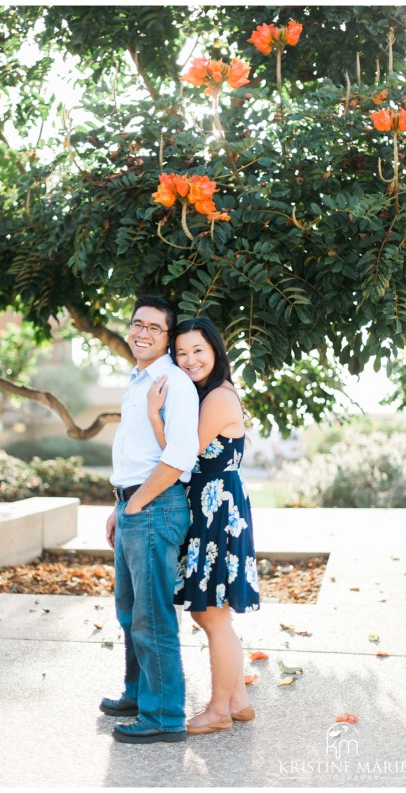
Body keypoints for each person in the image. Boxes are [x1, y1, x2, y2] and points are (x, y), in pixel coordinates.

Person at [147, 316, 260, 736]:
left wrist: (154, 416)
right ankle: (238, 700)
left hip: (217, 509)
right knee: (211, 614)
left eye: (198, 350)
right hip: (213, 506)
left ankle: (218, 710)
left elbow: (180, 457)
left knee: (210, 614)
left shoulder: (216, 399)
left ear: (215, 350)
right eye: (182, 352)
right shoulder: (208, 394)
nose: (190, 359)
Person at [100, 295, 200, 744]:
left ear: (167, 337)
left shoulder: (173, 382)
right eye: (137, 323)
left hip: (155, 507)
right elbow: (136, 451)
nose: (142, 332)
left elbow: (180, 457)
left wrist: (137, 504)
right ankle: (139, 693)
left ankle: (164, 716)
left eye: (154, 328)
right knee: (128, 611)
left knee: (152, 615)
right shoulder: (139, 380)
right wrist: (118, 505)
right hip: (134, 505)